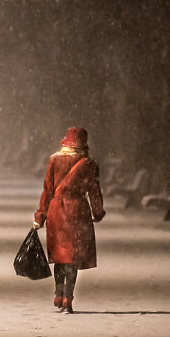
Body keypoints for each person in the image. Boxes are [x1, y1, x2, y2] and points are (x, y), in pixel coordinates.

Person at [33, 126, 105, 313]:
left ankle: (58, 293)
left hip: (56, 210)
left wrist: (40, 216)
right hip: (78, 210)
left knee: (60, 255)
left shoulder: (54, 160)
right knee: (72, 257)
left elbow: (48, 190)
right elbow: (94, 191)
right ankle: (68, 298)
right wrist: (97, 212)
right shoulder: (89, 164)